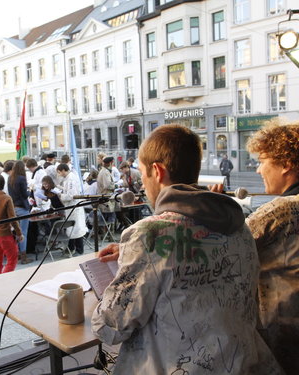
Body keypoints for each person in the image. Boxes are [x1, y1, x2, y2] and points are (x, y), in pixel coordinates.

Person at [91, 124, 281, 374]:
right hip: (243, 363)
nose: (143, 184)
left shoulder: (149, 235)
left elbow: (110, 327)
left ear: (157, 171)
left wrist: (134, 258)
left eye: (143, 174)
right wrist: (136, 252)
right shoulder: (240, 228)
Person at [210, 122, 299, 374]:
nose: (259, 170)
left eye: (262, 161)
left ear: (286, 164)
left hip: (284, 336)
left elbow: (220, 247)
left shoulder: (280, 212)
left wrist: (216, 209)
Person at [56, 164, 87, 255]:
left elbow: (71, 195)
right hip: (71, 207)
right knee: (72, 229)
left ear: (63, 170)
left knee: (76, 229)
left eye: (59, 172)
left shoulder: (71, 179)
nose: (59, 174)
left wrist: (61, 195)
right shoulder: (68, 178)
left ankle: (79, 249)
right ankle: (72, 247)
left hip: (74, 207)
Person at [7, 160, 32, 264]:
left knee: (16, 232)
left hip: (14, 207)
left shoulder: (10, 178)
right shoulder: (22, 179)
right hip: (22, 207)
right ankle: (24, 256)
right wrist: (30, 190)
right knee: (23, 233)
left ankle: (17, 254)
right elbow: (25, 195)